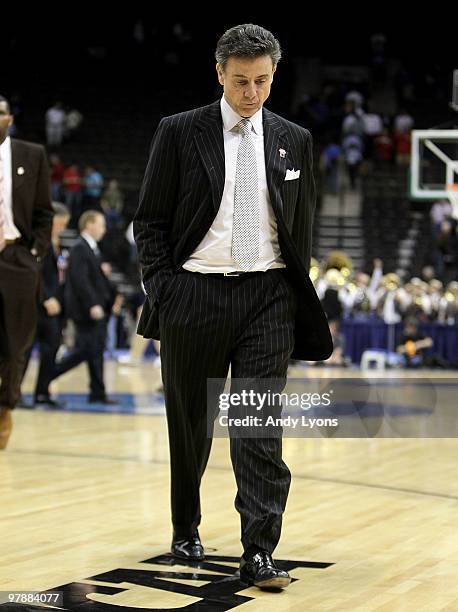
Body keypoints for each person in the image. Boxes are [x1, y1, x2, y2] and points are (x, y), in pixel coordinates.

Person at [134, 24, 332, 591]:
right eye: (241, 80)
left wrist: (295, 286)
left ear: (274, 76)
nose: (252, 92)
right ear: (219, 73)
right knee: (191, 426)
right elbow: (148, 220)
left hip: (267, 298)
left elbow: (301, 224)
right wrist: (165, 287)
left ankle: (260, 550)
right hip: (193, 293)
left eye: (262, 81)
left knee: (256, 427)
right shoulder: (178, 131)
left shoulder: (294, 139)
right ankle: (185, 525)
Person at [0, 95, 53, 449]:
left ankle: (5, 407)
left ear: (10, 118)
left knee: (15, 342)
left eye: (0, 112)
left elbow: (43, 213)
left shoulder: (31, 155)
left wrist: (34, 256)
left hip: (15, 258)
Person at [45, 211, 118, 404]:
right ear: (89, 225)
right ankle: (49, 375)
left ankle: (97, 392)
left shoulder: (91, 248)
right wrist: (93, 304)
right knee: (86, 350)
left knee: (94, 350)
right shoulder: (80, 247)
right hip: (86, 310)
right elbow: (80, 280)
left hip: (95, 308)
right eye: (101, 225)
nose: (104, 229)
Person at [32, 203, 70, 407]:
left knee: (51, 350)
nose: (62, 228)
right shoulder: (39, 241)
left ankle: (42, 393)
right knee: (26, 351)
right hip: (38, 306)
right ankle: (15, 394)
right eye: (60, 223)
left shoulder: (57, 245)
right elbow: (35, 273)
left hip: (55, 309)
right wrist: (46, 297)